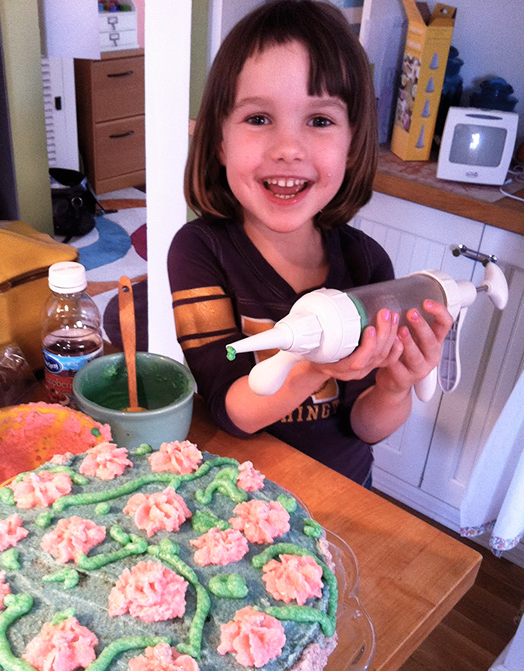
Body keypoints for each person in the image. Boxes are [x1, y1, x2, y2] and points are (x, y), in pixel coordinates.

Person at [167, 0, 453, 487]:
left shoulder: (366, 263)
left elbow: (365, 427)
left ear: (351, 141)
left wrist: (394, 385)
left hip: (344, 495)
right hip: (244, 501)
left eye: (320, 121)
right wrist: (311, 365)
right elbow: (233, 411)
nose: (288, 148)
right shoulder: (199, 252)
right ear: (218, 140)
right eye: (258, 119)